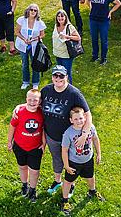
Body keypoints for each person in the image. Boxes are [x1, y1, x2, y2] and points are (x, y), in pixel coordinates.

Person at [38, 65, 93, 196]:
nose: (58, 79)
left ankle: (71, 183)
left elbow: (88, 115)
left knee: (70, 161)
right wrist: (19, 107)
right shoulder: (46, 90)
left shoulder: (74, 93)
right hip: (51, 135)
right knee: (56, 159)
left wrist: (84, 135)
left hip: (70, 137)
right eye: (55, 76)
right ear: (52, 77)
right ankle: (57, 181)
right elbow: (34, 103)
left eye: (61, 76)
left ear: (66, 77)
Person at [59, 106, 105, 215]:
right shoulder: (68, 133)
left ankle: (92, 190)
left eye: (80, 118)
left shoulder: (90, 127)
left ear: (85, 117)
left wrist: (99, 153)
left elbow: (95, 139)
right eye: (75, 119)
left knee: (90, 176)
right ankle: (65, 200)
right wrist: (66, 165)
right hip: (74, 162)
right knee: (68, 181)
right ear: (71, 120)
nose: (79, 121)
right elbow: (64, 151)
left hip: (88, 159)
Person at [8, 89, 45, 202]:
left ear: (40, 102)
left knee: (34, 170)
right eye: (29, 100)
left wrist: (44, 143)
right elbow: (12, 126)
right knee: (22, 166)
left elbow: (44, 128)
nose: (32, 102)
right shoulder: (19, 112)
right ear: (26, 100)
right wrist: (10, 141)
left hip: (35, 147)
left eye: (35, 100)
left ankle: (33, 189)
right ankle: (25, 185)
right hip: (19, 145)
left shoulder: (42, 113)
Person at [86, 0, 121, 65]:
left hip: (104, 21)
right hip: (93, 19)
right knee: (94, 39)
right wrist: (91, 8)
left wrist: (110, 12)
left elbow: (118, 3)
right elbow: (88, 0)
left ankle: (104, 58)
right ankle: (95, 55)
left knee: (103, 40)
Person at [15, 3, 46, 90]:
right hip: (23, 44)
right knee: (25, 64)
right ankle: (25, 82)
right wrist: (24, 39)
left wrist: (34, 39)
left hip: (35, 46)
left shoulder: (40, 23)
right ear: (28, 10)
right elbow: (17, 32)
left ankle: (35, 82)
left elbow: (42, 35)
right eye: (31, 10)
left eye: (35, 10)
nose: (33, 12)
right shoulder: (21, 20)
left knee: (35, 64)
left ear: (37, 12)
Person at [51, 9, 81, 82]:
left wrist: (67, 37)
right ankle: (61, 87)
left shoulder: (69, 27)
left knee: (66, 73)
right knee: (59, 73)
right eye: (58, 16)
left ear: (65, 17)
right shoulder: (56, 25)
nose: (60, 18)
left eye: (62, 16)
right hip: (57, 53)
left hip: (66, 54)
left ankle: (68, 89)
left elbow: (78, 38)